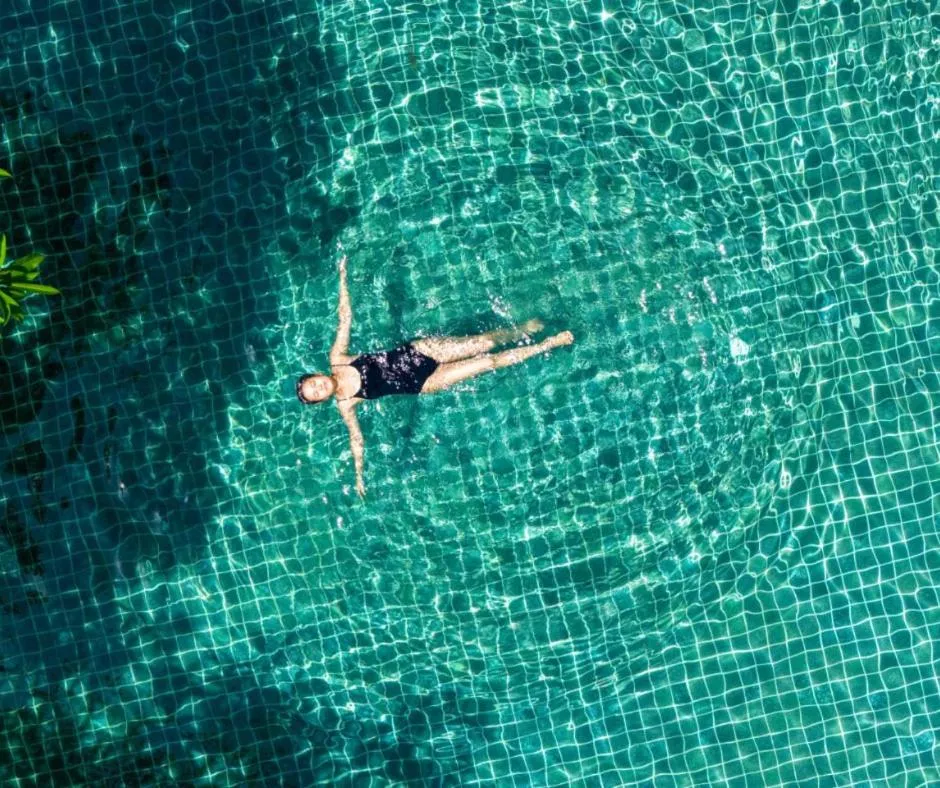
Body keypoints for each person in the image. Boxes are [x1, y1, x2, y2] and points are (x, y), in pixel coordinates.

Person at [297, 252, 575, 498]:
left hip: (421, 352)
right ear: (322, 400)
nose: (320, 387)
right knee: (488, 363)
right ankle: (547, 345)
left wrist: (343, 278)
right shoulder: (346, 404)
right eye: (317, 393)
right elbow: (356, 439)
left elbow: (345, 318)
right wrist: (359, 476)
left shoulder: (338, 359)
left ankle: (521, 329)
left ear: (316, 374)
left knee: (485, 343)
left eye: (314, 383)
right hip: (425, 383)